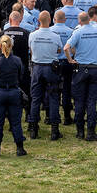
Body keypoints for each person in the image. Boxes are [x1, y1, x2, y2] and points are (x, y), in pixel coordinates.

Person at [65, 9, 97, 141]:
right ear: (89, 19)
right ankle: (91, 132)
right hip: (95, 69)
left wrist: (71, 59)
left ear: (79, 21)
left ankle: (80, 131)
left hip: (81, 69)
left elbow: (66, 47)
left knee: (79, 101)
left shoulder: (77, 32)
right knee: (92, 101)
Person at [28, 11, 64, 140]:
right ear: (50, 20)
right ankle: (54, 130)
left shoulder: (32, 35)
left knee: (35, 99)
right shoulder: (55, 36)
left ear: (38, 21)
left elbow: (31, 50)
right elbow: (59, 50)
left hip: (37, 67)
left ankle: (33, 129)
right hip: (51, 68)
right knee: (53, 98)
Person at [0, 35, 27, 156]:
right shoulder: (17, 60)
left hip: (0, 92)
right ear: (11, 46)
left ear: (0, 46)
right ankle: (20, 148)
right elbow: (21, 76)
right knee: (16, 122)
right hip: (13, 91)